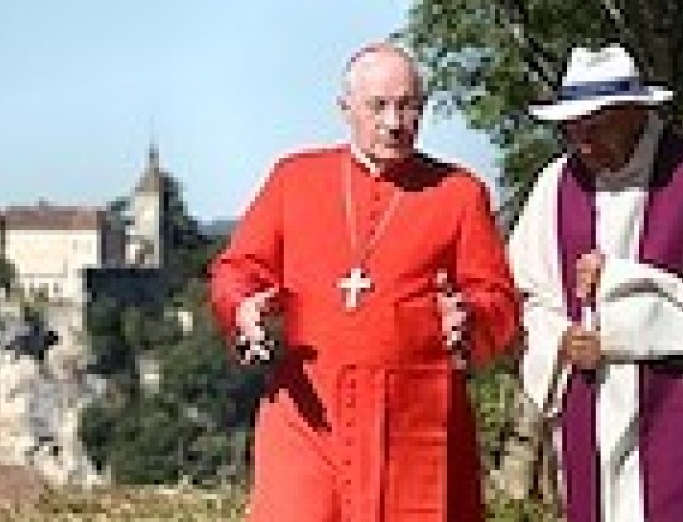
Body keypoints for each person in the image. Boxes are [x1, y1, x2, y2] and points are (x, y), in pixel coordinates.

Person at [209, 42, 519, 522]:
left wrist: (470, 318)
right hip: (308, 416)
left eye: (408, 106)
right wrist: (244, 308)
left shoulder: (460, 193)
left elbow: (498, 300)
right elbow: (239, 269)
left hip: (416, 424)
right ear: (345, 108)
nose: (394, 122)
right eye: (379, 106)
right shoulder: (294, 179)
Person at [510, 44, 683, 522]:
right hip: (585, 407)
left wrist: (620, 315)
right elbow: (527, 295)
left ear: (635, 114)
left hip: (674, 404)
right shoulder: (553, 186)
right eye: (572, 129)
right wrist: (561, 338)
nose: (583, 144)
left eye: (597, 126)